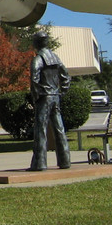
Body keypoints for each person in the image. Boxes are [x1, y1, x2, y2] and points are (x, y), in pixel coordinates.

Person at [29, 31, 71, 171]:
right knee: (59, 129)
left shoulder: (38, 59)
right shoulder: (56, 58)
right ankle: (65, 161)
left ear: (36, 43)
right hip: (55, 97)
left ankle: (40, 163)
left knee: (40, 130)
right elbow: (65, 76)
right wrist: (61, 92)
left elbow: (34, 79)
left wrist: (36, 97)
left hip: (44, 97)